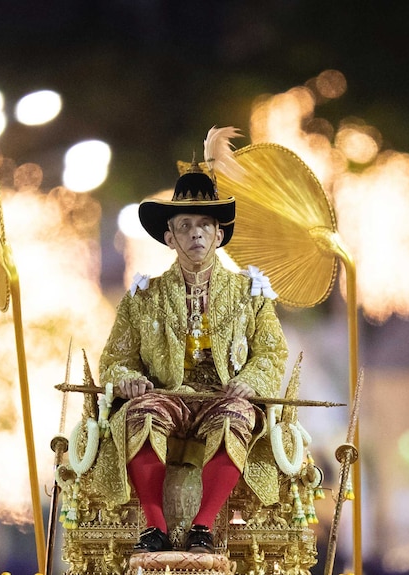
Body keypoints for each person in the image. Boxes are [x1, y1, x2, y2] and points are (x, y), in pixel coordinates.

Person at [98, 159, 288, 554]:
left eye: (204, 225)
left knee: (237, 415)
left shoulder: (250, 293)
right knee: (140, 413)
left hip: (222, 398)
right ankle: (155, 528)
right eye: (184, 226)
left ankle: (202, 528)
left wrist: (250, 381)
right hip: (168, 396)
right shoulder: (143, 297)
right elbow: (114, 361)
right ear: (170, 238)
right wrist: (128, 379)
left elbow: (271, 351)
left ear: (219, 235)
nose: (195, 233)